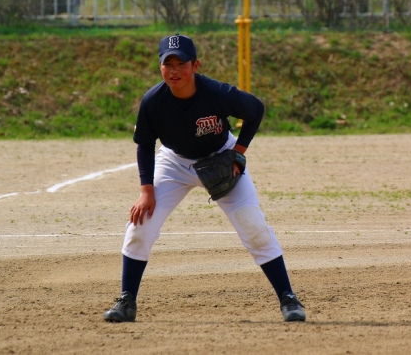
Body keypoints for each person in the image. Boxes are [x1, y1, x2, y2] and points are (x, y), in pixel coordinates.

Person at [103, 34, 305, 323]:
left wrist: (237, 152)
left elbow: (255, 109)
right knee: (140, 225)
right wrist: (146, 191)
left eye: (181, 63)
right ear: (160, 67)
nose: (174, 70)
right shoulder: (153, 101)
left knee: (253, 225)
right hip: (174, 163)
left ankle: (288, 297)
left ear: (195, 66)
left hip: (220, 157)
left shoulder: (216, 93)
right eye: (168, 64)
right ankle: (127, 301)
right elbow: (145, 145)